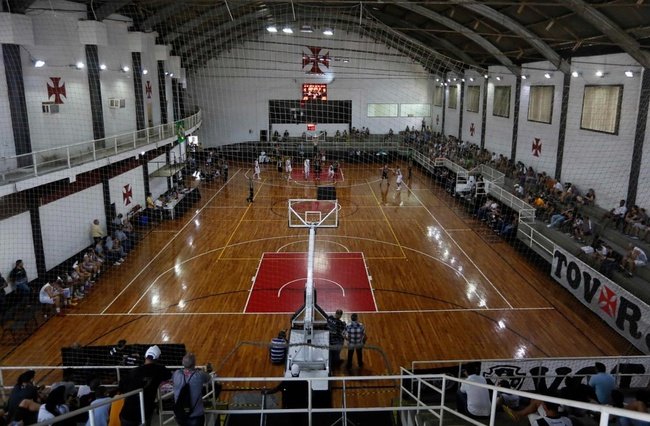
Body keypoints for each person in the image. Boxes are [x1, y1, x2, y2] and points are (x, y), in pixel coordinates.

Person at [120, 345, 172, 426]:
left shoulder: (133, 371)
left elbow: (121, 387)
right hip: (144, 412)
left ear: (145, 356)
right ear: (157, 359)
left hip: (127, 413)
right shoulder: (160, 370)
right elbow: (169, 375)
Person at [172, 353, 212, 426]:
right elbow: (209, 378)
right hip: (196, 416)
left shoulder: (176, 374)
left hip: (180, 416)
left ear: (183, 363)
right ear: (194, 364)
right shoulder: (199, 375)